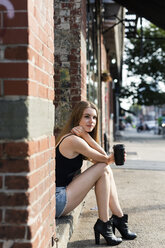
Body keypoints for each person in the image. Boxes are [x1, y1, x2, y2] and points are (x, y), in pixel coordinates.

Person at [55, 101, 137, 246]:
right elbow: (105, 158)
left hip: (63, 194)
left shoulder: (77, 138)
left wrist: (87, 137)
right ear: (77, 118)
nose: (91, 121)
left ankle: (116, 219)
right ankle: (108, 222)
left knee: (104, 169)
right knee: (103, 167)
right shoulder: (73, 140)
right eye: (87, 116)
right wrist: (88, 138)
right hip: (58, 200)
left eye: (94, 118)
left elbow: (103, 159)